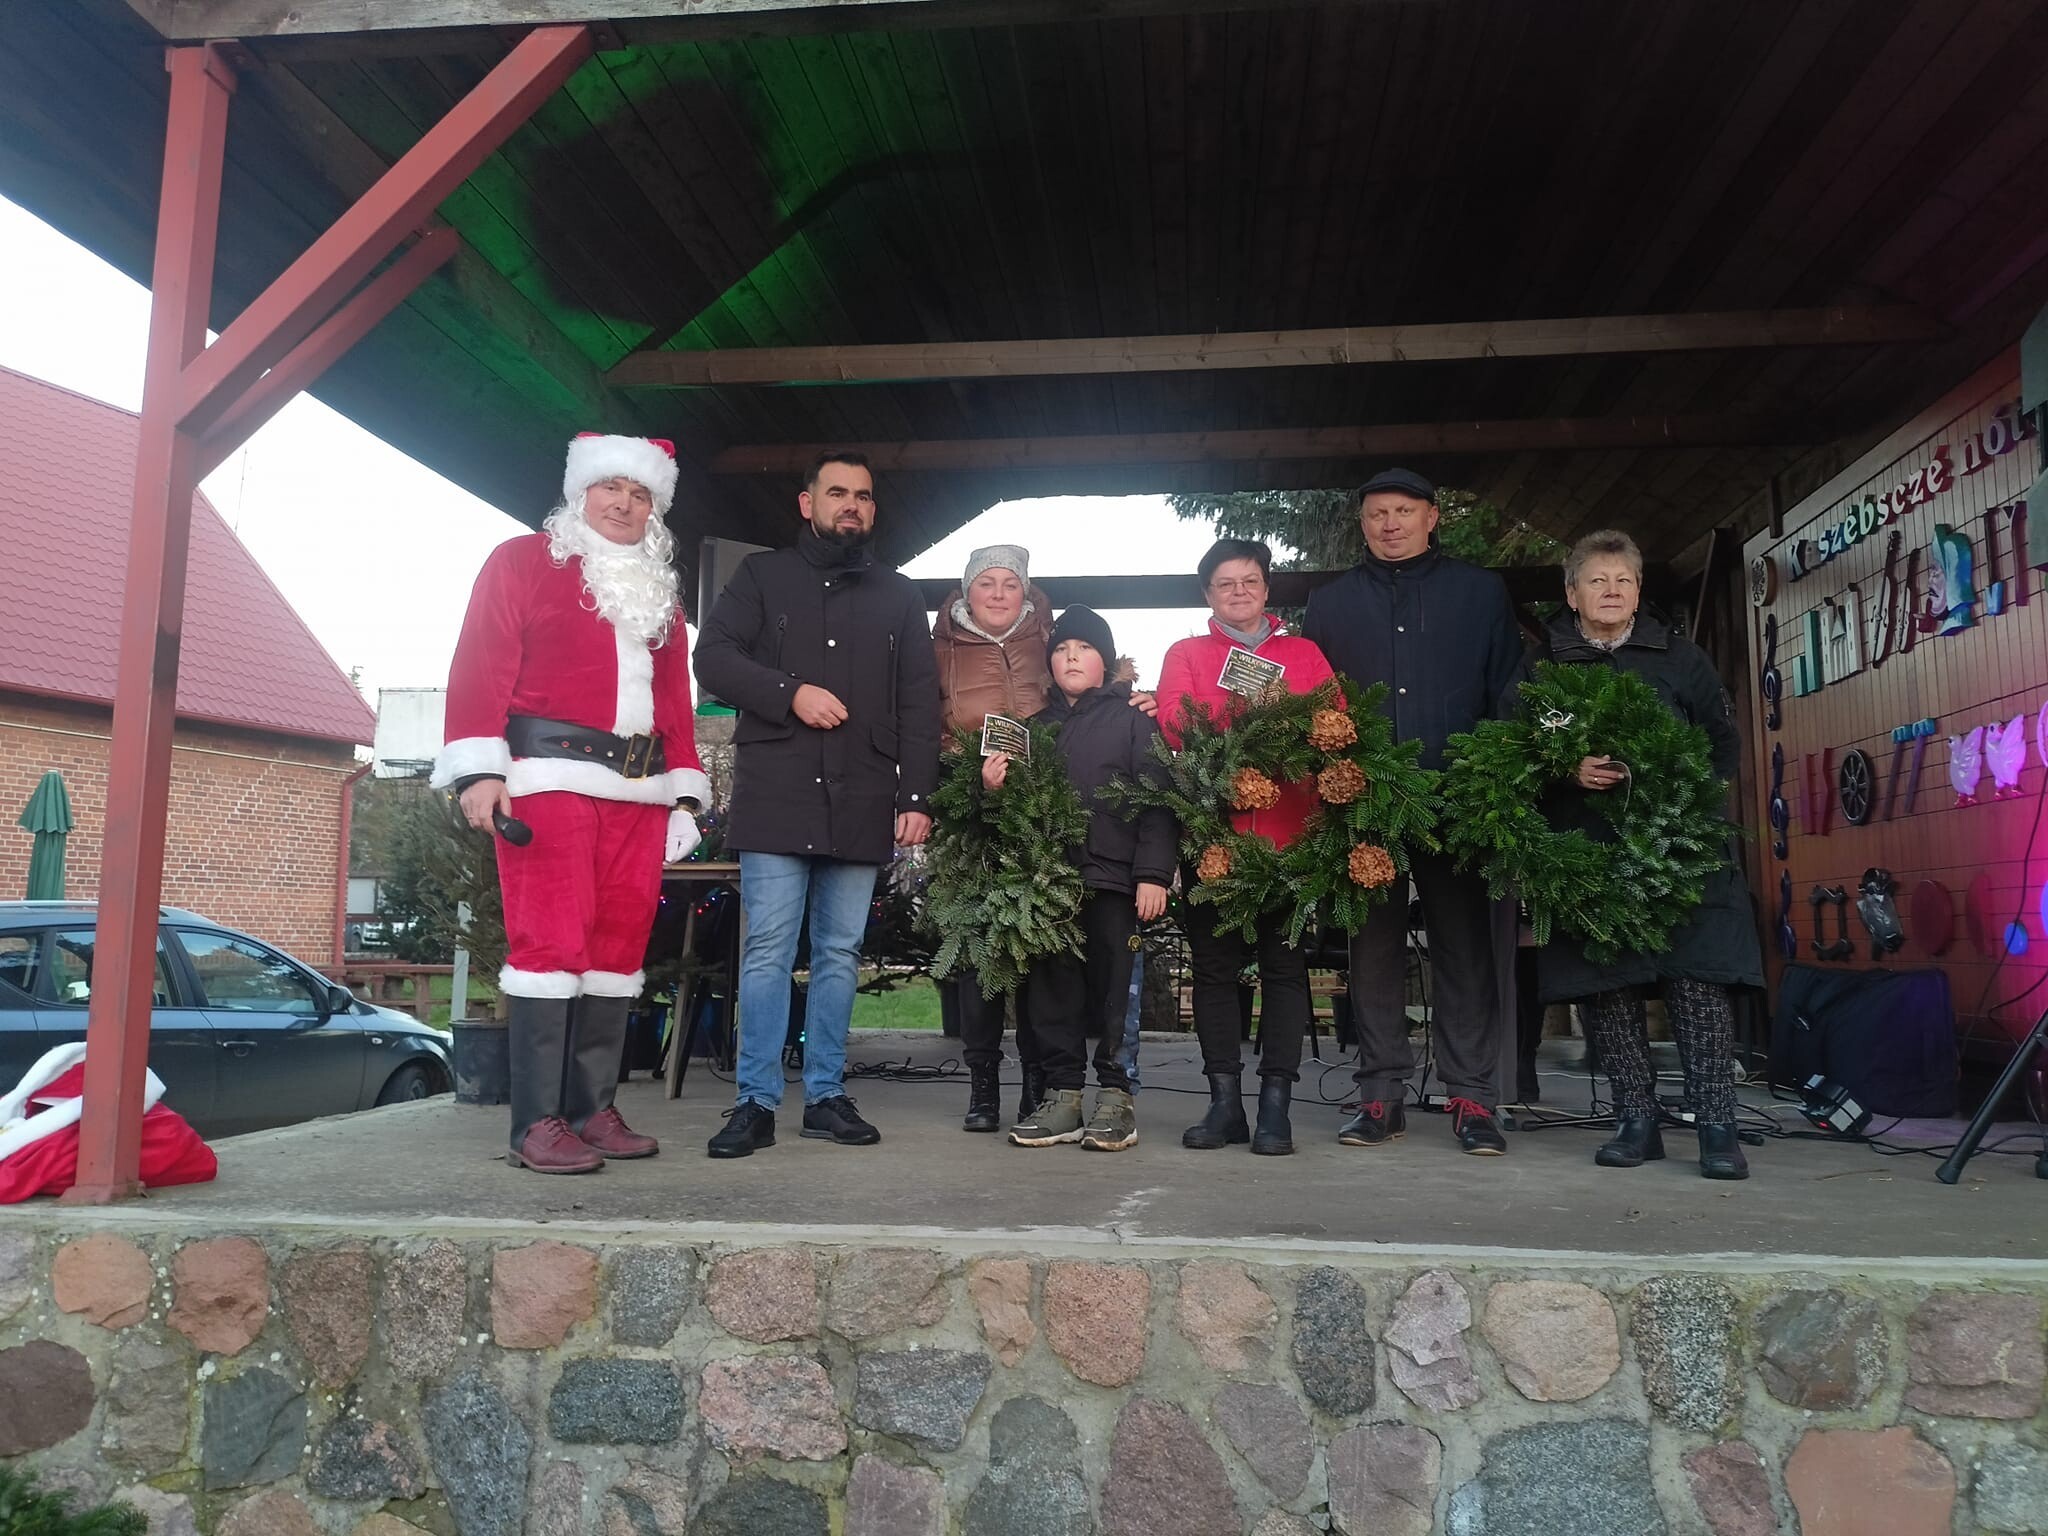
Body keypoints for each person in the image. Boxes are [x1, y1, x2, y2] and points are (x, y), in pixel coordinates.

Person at [434, 433, 710, 1175]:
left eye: (640, 493)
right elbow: (482, 660)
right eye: (611, 487)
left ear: (654, 508)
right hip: (547, 778)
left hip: (639, 792)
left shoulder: (659, 591)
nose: (624, 503)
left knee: (618, 949)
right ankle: (536, 1123)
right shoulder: (522, 562)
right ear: (580, 491)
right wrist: (478, 770)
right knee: (550, 945)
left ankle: (591, 1110)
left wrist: (684, 793)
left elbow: (674, 701)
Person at [693, 451, 941, 1159]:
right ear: (808, 503)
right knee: (768, 950)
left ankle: (826, 1096)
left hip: (864, 792)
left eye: (862, 495)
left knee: (839, 952)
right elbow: (712, 657)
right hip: (777, 791)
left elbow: (919, 701)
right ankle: (755, 1102)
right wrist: (789, 693)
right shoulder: (761, 576)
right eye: (837, 492)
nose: (851, 504)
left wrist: (916, 795)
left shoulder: (899, 595)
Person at [1521, 529, 1764, 1179]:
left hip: (1678, 847)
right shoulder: (1542, 667)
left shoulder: (1681, 659)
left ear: (1638, 591)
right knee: (1609, 983)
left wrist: (1678, 793)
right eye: (1597, 581)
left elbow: (1721, 741)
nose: (1611, 591)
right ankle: (1636, 1120)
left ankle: (1717, 1125)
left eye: (1623, 580)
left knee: (1697, 978)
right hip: (1588, 849)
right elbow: (1511, 743)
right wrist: (1566, 770)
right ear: (1572, 593)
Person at [1303, 467, 1525, 1155]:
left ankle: (1472, 1097)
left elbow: (1509, 691)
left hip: (1458, 798)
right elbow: (1313, 703)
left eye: (1403, 511)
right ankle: (1380, 1096)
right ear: (1362, 523)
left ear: (1433, 517)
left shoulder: (1481, 592)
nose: (1390, 524)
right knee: (1372, 949)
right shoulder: (1330, 604)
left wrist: (1490, 779)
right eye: (1377, 513)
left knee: (1466, 949)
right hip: (1365, 805)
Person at [1156, 538, 1335, 1155]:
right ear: (1208, 593)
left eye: (1250, 581)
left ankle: (1276, 1107)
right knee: (1214, 972)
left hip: (1290, 837)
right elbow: (1175, 721)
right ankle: (1224, 1104)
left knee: (1285, 971)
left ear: (1266, 589)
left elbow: (1334, 723)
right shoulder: (1186, 654)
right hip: (1214, 839)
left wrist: (1282, 718)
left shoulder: (1304, 654)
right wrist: (1251, 714)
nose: (1239, 591)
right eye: (1225, 583)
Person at [1002, 607, 1174, 1152]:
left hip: (1116, 882)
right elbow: (1016, 811)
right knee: (1053, 992)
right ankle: (1064, 1097)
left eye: (1084, 648)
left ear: (1107, 660)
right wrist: (995, 786)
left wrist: (1153, 874)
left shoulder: (1134, 719)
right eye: (1061, 649)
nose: (1071, 657)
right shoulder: (1035, 729)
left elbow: (1158, 800)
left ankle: (1117, 1100)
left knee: (1115, 993)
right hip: (1049, 885)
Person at [932, 544, 1054, 1132]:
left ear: (1025, 591)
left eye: (1010, 583)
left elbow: (1086, 685)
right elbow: (918, 721)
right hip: (969, 813)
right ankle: (982, 1087)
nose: (999, 593)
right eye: (987, 583)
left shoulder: (1050, 639)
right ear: (967, 592)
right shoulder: (937, 650)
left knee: (1038, 954)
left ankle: (1036, 1084)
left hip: (1043, 812)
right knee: (977, 954)